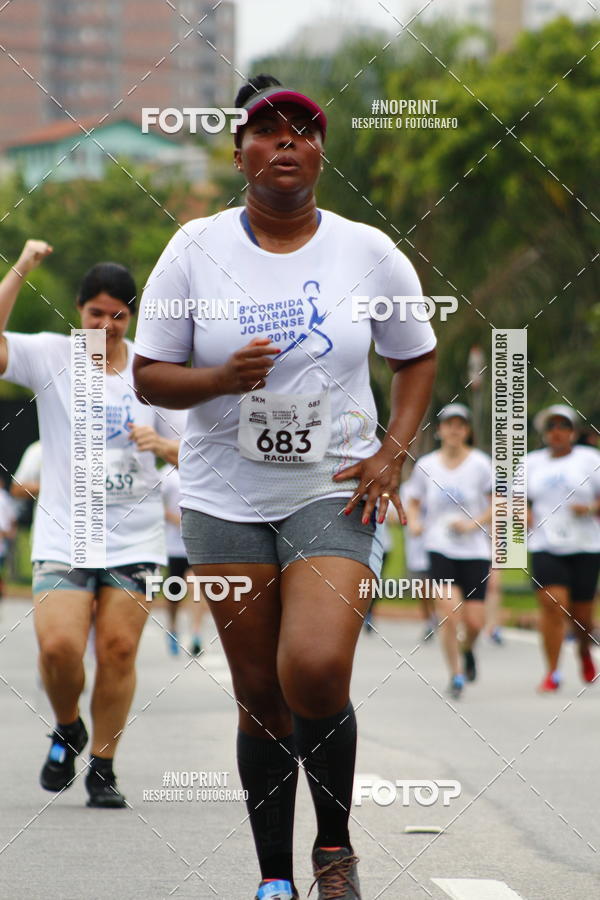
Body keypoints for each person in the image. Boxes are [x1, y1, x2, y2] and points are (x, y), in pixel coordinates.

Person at [133, 74, 437, 900]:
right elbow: (151, 378)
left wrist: (393, 453)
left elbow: (414, 355)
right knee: (260, 691)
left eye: (303, 131)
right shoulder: (193, 248)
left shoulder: (367, 250)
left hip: (333, 489)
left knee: (313, 668)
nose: (287, 143)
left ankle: (333, 851)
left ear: (320, 153)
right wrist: (220, 379)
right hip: (221, 499)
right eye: (267, 133)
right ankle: (273, 877)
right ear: (239, 154)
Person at [0, 239, 184, 808]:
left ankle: (103, 764)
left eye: (118, 314)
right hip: (65, 533)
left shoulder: (155, 371)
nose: (106, 323)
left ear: (133, 316)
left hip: (137, 537)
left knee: (118, 651)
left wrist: (164, 446)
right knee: (57, 647)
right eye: (95, 313)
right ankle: (67, 726)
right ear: (79, 312)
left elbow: (196, 447)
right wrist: (22, 268)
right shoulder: (54, 356)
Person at [406, 403, 492, 699]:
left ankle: (468, 650)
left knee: (474, 622)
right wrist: (415, 522)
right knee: (450, 614)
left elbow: (499, 504)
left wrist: (474, 524)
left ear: (467, 431)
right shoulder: (427, 465)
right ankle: (455, 675)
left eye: (460, 425)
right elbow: (414, 500)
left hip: (475, 550)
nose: (454, 430)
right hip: (439, 547)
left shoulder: (480, 464)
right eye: (448, 425)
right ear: (440, 430)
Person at [528, 404, 600, 692]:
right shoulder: (531, 462)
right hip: (545, 543)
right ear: (544, 433)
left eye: (563, 426)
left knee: (581, 616)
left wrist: (592, 507)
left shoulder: (590, 459)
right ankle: (553, 671)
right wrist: (523, 512)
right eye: (551, 427)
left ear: (572, 432)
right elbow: (514, 498)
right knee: (552, 604)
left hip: (585, 545)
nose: (557, 432)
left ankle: (583, 650)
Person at [161, 462, 205, 656]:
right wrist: (181, 521)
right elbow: (155, 508)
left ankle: (196, 633)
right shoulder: (166, 476)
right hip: (173, 546)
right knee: (174, 595)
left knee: (196, 586)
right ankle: (172, 629)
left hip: (196, 545)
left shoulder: (201, 469)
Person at [401, 480, 436, 641]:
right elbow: (404, 512)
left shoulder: (438, 482)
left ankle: (444, 615)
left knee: (443, 585)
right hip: (417, 545)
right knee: (422, 586)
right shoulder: (408, 488)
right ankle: (429, 620)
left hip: (440, 544)